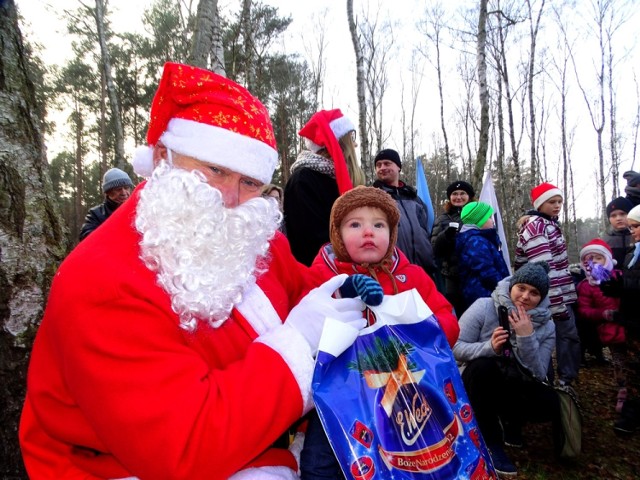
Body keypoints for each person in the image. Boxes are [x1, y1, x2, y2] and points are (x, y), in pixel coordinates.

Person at [19, 62, 368, 480]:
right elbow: (184, 446)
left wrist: (350, 291)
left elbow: (301, 289)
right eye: (216, 169)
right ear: (163, 157)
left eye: (251, 182)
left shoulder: (253, 237)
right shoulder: (101, 280)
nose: (231, 199)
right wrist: (298, 343)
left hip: (264, 448)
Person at [301, 186, 459, 479]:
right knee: (320, 463)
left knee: (406, 460)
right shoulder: (322, 274)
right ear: (337, 233)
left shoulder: (412, 276)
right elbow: (305, 317)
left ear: (392, 233)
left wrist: (415, 326)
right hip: (341, 394)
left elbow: (447, 322)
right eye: (355, 224)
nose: (368, 232)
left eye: (379, 225)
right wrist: (343, 293)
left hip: (405, 394)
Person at [453, 262, 559, 478]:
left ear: (542, 298)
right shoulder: (484, 306)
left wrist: (526, 336)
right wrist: (489, 347)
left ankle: (512, 422)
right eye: (521, 288)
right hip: (481, 381)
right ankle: (491, 441)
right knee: (483, 367)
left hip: (517, 383)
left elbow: (539, 373)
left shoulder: (547, 325)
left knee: (550, 401)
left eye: (534, 292)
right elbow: (454, 348)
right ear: (512, 285)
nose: (525, 296)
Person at [514, 182, 580, 387]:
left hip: (558, 294)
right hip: (546, 298)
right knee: (554, 338)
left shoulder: (550, 224)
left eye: (560, 201)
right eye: (552, 201)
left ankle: (560, 380)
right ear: (540, 203)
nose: (557, 205)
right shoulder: (537, 227)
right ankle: (554, 382)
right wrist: (557, 303)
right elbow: (543, 269)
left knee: (565, 337)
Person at [283, 109, 365, 266]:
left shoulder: (339, 179)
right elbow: (311, 242)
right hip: (323, 277)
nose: (355, 144)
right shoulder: (304, 180)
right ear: (340, 143)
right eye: (351, 138)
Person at [600, 204, 640, 434]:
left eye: (636, 226)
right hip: (632, 318)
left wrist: (623, 284)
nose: (631, 230)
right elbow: (629, 281)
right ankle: (632, 410)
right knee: (634, 367)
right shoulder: (631, 253)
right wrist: (614, 288)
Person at [576, 239, 627, 412]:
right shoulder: (585, 286)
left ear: (607, 259)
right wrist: (602, 314)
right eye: (589, 259)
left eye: (598, 257)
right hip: (610, 329)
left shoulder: (620, 276)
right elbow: (584, 310)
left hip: (629, 325)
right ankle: (623, 390)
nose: (594, 261)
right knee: (619, 360)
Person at [372, 148, 436, 276]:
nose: (382, 168)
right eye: (378, 165)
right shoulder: (373, 198)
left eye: (387, 163)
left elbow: (426, 229)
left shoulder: (415, 198)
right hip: (393, 269)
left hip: (423, 267)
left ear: (398, 167)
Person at [431, 179, 475, 316]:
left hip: (475, 272)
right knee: (458, 313)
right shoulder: (442, 219)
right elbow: (434, 249)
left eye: (462, 193)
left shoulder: (477, 216)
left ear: (469, 196)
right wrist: (446, 236)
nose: (459, 197)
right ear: (450, 198)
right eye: (455, 194)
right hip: (452, 277)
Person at [456, 201, 510, 310]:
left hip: (490, 292)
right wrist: (503, 287)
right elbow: (486, 271)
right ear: (478, 221)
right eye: (489, 218)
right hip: (484, 294)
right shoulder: (475, 242)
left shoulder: (482, 239)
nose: (492, 221)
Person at [78, 167, 134, 240]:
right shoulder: (96, 214)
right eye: (118, 189)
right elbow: (86, 236)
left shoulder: (138, 210)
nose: (124, 193)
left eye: (126, 188)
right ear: (108, 192)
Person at [602, 196, 634, 267]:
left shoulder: (637, 235)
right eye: (613, 216)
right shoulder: (605, 240)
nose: (618, 218)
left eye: (622, 214)